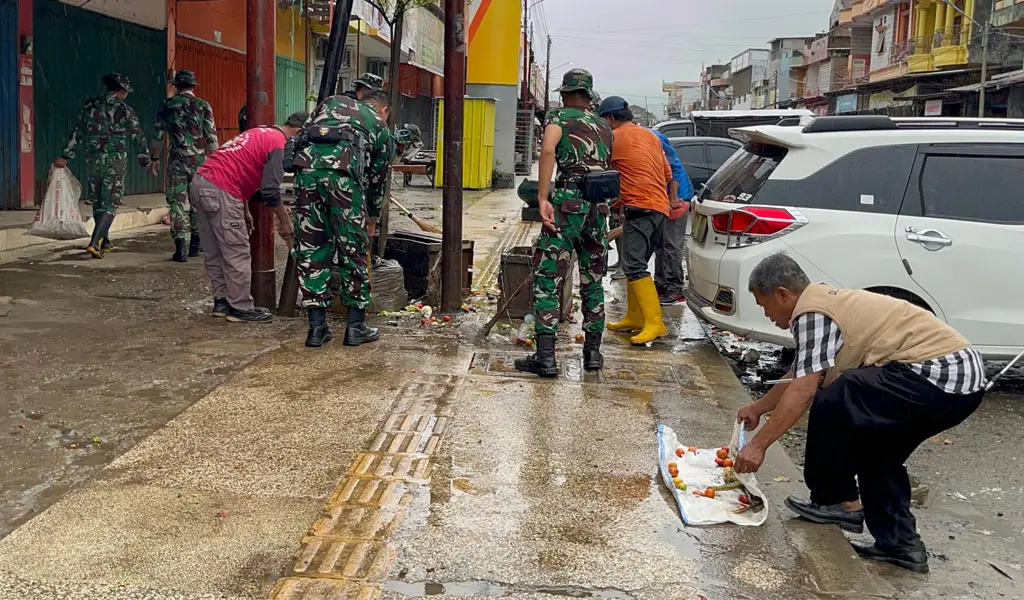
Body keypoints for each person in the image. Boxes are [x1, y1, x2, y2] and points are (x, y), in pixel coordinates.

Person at [734, 253, 985, 574]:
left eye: (763, 304)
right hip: (962, 384)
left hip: (943, 373)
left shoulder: (812, 312)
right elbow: (800, 373)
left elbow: (804, 389)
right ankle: (900, 544)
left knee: (838, 396)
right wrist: (759, 407)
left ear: (783, 294)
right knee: (877, 447)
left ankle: (836, 500)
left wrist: (758, 445)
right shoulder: (821, 304)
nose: (767, 314)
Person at [515, 69, 614, 377]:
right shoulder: (604, 125)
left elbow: (547, 150)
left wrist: (543, 197)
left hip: (568, 203)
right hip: (599, 207)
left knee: (548, 275)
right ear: (590, 95)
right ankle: (593, 354)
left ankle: (546, 357)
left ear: (566, 94)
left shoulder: (558, 118)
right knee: (593, 279)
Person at [291, 89, 393, 348]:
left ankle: (317, 330)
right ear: (384, 110)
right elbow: (377, 179)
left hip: (306, 177)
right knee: (352, 251)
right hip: (344, 183)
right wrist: (371, 218)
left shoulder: (329, 104)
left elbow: (301, 137)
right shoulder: (379, 125)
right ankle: (355, 328)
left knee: (311, 249)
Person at [188, 112, 305, 323]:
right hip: (221, 189)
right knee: (236, 251)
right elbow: (270, 191)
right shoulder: (278, 143)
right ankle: (240, 307)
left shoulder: (258, 132)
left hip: (200, 182)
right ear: (299, 132)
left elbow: (237, 168)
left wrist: (243, 210)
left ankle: (222, 302)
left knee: (214, 250)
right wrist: (285, 221)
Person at [599, 96, 679, 345]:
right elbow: (667, 173)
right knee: (639, 264)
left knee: (633, 265)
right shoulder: (650, 136)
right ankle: (634, 317)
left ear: (610, 118)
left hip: (641, 208)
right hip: (658, 207)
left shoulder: (615, 138)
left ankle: (656, 323)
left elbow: (600, 169)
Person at [54, 73, 158, 259]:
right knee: (111, 202)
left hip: (94, 160)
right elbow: (137, 138)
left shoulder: (90, 106)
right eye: (125, 91)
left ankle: (105, 240)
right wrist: (146, 162)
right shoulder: (126, 111)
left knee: (98, 201)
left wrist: (65, 156)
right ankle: (94, 242)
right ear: (121, 91)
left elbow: (77, 133)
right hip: (115, 161)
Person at [153, 69, 219, 263]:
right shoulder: (203, 105)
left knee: (177, 203)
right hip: (200, 162)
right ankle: (195, 246)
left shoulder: (167, 106)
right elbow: (211, 137)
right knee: (198, 202)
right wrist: (216, 162)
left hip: (177, 161)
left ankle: (180, 248)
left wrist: (154, 159)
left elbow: (157, 136)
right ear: (193, 86)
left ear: (176, 86)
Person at [651, 128, 693, 306]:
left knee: (671, 245)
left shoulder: (655, 138)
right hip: (660, 197)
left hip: (676, 196)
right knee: (660, 243)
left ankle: (675, 288)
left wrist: (674, 197)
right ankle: (660, 285)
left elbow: (674, 168)